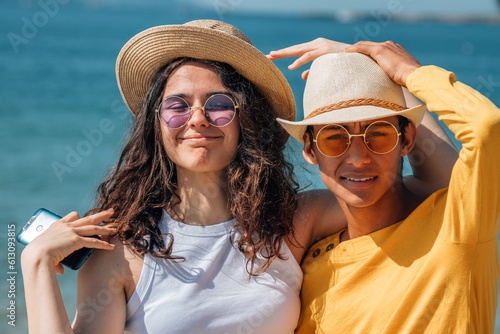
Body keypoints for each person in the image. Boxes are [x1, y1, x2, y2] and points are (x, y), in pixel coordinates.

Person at [20, 21, 457, 333]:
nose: (197, 119)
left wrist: (374, 70)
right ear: (156, 124)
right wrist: (36, 263)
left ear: (244, 120)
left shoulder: (290, 221)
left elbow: (442, 188)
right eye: (177, 106)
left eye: (218, 104)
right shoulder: (119, 247)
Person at [271, 40, 500, 333]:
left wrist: (407, 71)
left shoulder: (457, 226)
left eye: (379, 134)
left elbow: (487, 128)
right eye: (335, 137)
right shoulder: (311, 267)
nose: (358, 158)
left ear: (406, 140)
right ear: (310, 150)